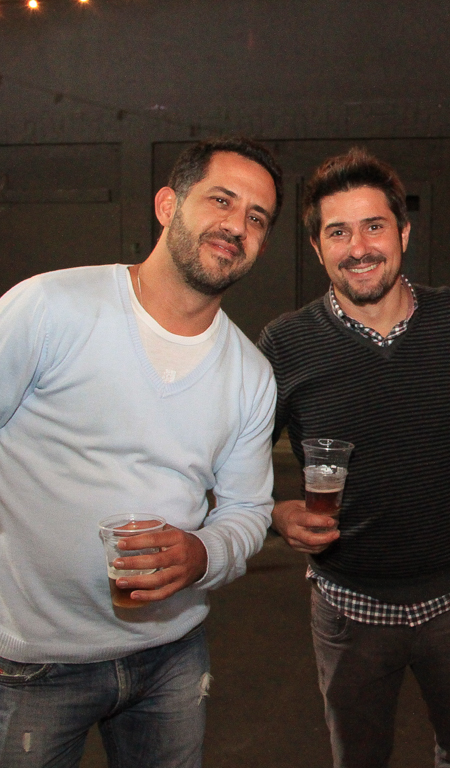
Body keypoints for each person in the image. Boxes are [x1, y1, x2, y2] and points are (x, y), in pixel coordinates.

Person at [0, 136, 283, 767]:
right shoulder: (51, 308)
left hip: (172, 657)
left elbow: (247, 510)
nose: (236, 225)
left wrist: (202, 553)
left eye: (257, 217)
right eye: (221, 200)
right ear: (167, 205)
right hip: (31, 663)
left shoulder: (251, 374)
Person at [259, 148, 450, 768]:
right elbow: (232, 459)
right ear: (317, 247)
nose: (359, 247)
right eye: (338, 232)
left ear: (404, 233)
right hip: (348, 608)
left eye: (374, 226)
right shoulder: (286, 343)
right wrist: (276, 512)